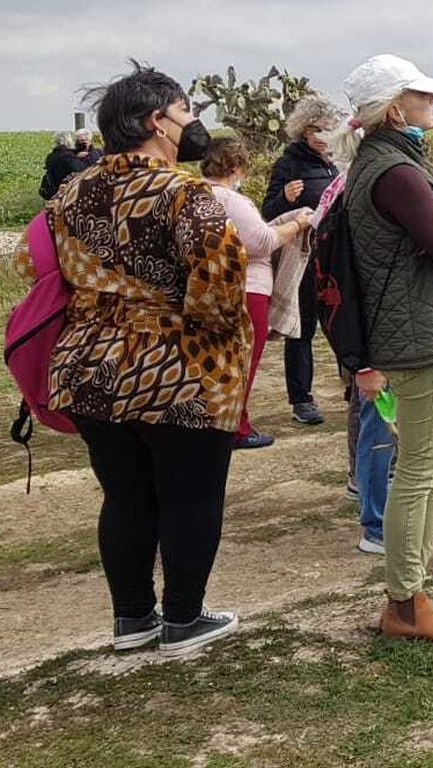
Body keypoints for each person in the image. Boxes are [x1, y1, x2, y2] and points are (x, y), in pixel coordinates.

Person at [13, 62, 252, 654]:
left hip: (89, 369)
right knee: (190, 496)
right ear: (158, 122)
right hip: (182, 372)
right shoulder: (188, 194)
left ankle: (132, 620)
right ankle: (183, 620)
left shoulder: (71, 191)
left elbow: (28, 265)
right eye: (186, 110)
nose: (194, 121)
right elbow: (219, 295)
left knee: (125, 496)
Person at [327, 53, 433, 642]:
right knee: (420, 468)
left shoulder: (380, 164)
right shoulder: (395, 172)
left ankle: (413, 586)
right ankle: (404, 602)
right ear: (396, 110)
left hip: (418, 330)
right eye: (424, 96)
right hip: (419, 337)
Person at [200, 139, 313, 450]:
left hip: (214, 287)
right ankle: (236, 425)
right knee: (245, 360)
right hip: (248, 288)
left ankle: (222, 421)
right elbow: (262, 241)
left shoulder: (195, 194)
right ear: (236, 168)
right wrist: (296, 225)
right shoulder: (232, 201)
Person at [263, 95, 347, 426]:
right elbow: (268, 213)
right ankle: (302, 399)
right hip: (304, 257)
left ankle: (353, 385)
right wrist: (285, 198)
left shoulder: (337, 161)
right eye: (315, 130)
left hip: (335, 254)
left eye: (327, 129)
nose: (322, 137)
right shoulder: (289, 164)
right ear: (303, 130)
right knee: (302, 330)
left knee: (343, 323)